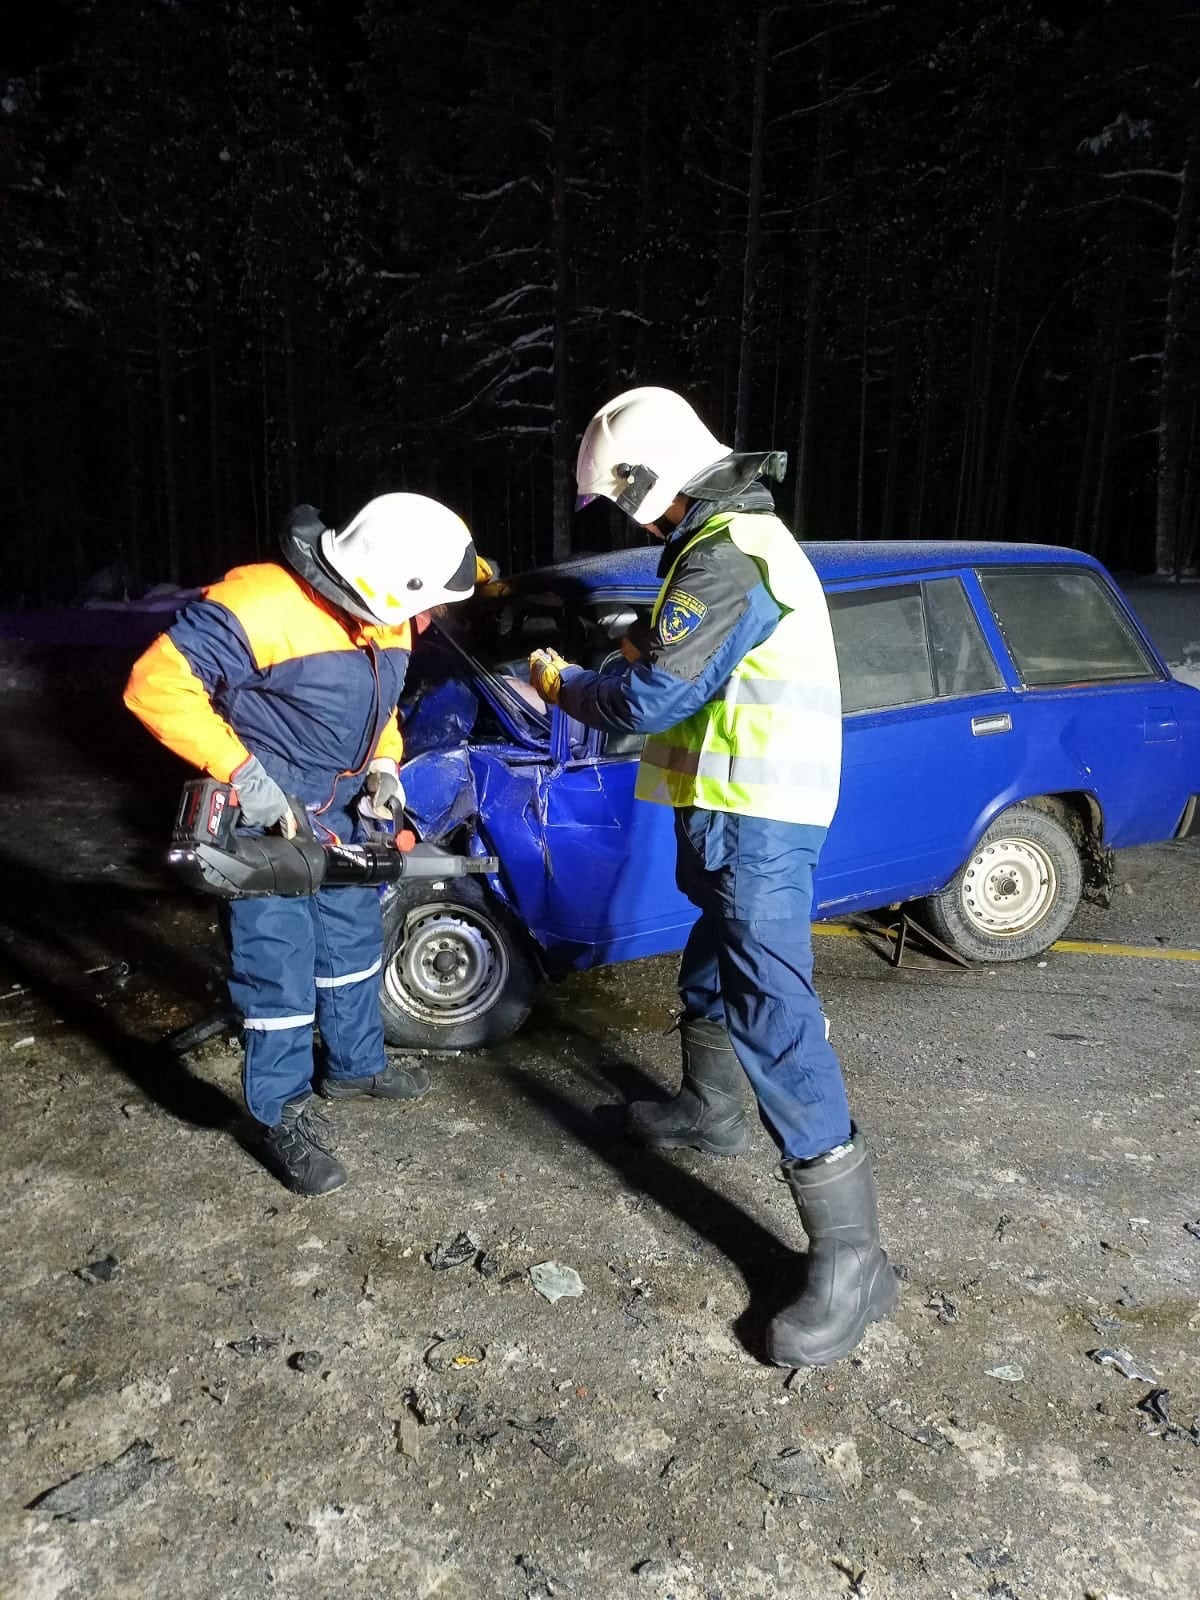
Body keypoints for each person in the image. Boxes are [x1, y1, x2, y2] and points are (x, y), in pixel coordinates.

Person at [528, 386, 898, 1366]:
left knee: (773, 1005)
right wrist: (637, 644)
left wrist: (569, 683)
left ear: (651, 479)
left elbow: (651, 698)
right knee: (713, 961)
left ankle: (854, 1257)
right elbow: (691, 658)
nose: (622, 514)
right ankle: (709, 1108)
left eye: (621, 497)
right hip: (733, 811)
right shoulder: (727, 544)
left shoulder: (728, 554)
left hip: (761, 820)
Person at [125, 494, 481, 1196]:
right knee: (277, 971)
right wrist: (245, 776)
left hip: (344, 812)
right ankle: (278, 1113)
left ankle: (354, 1067)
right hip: (266, 817)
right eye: (427, 602)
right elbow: (155, 687)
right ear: (386, 581)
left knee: (352, 944)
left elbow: (381, 713)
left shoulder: (393, 620)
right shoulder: (258, 603)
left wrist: (383, 764)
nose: (430, 619)